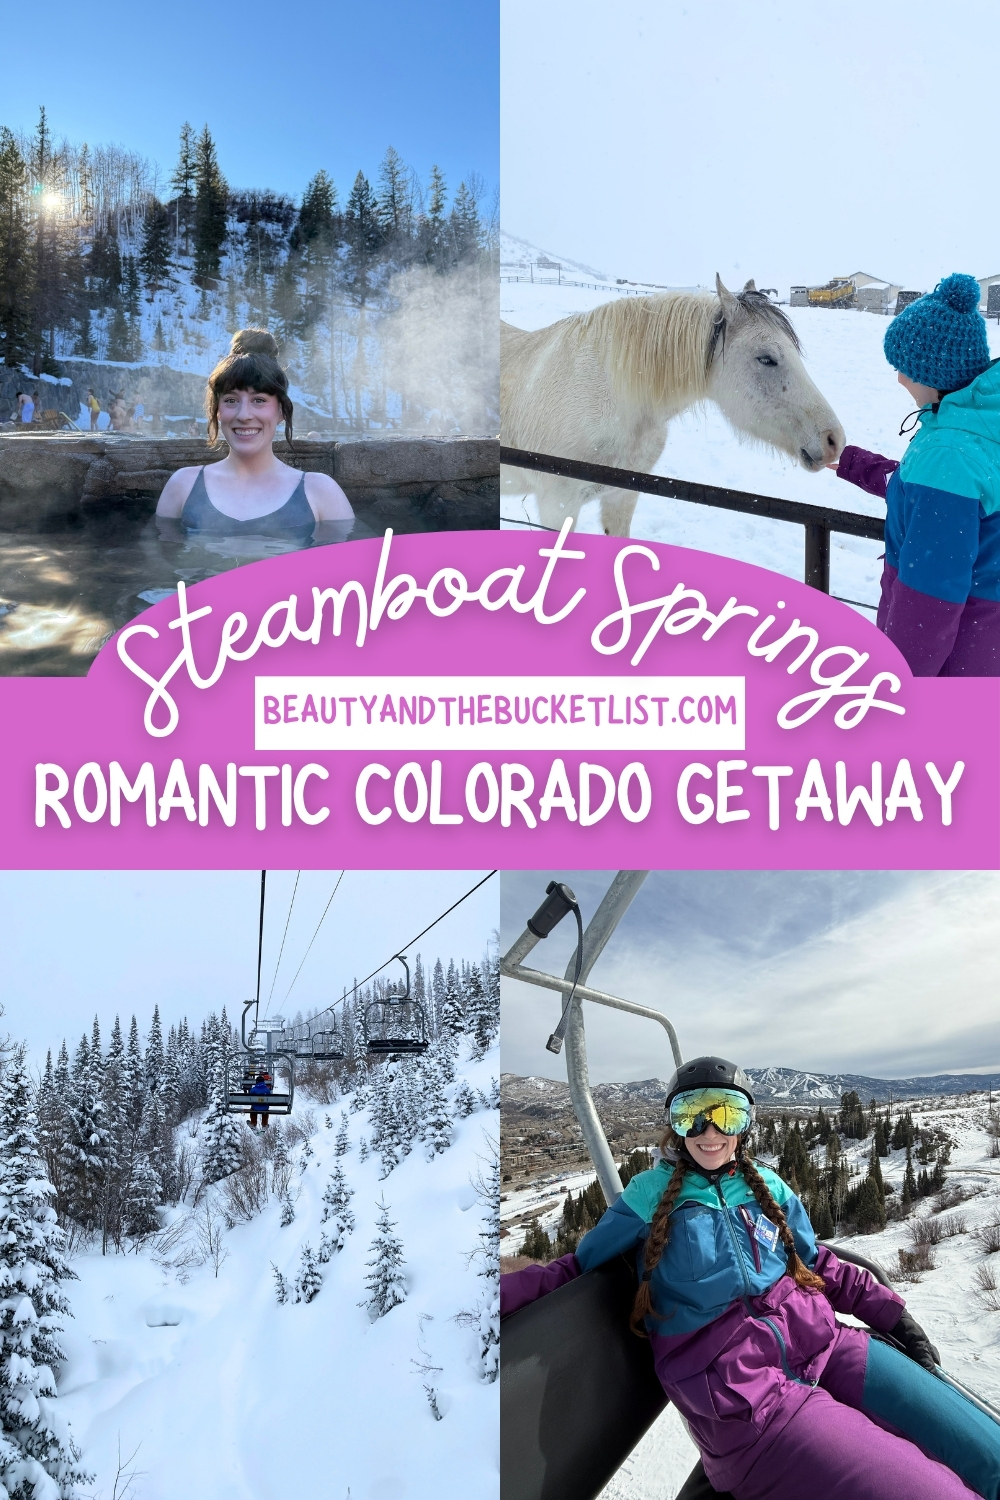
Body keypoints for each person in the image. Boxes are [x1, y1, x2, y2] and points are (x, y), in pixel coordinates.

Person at [500, 1057, 1000, 1500]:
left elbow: (816, 1263)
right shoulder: (649, 1197)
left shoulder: (767, 1187)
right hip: (748, 1404)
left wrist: (890, 1311)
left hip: (827, 1346)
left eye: (726, 1111)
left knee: (990, 1458)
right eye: (690, 1113)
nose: (708, 1129)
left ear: (746, 1122)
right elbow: (573, 1268)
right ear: (675, 1125)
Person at [832, 273, 1000, 677]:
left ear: (931, 374)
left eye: (904, 366)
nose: (899, 378)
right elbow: (928, 499)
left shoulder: (948, 453)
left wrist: (896, 687)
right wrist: (852, 463)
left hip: (951, 668)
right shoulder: (975, 429)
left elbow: (929, 600)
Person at [155, 328, 354, 540]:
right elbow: (162, 565)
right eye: (231, 400)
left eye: (259, 400)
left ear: (281, 411)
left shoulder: (320, 492)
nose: (244, 415)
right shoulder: (183, 486)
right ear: (217, 410)